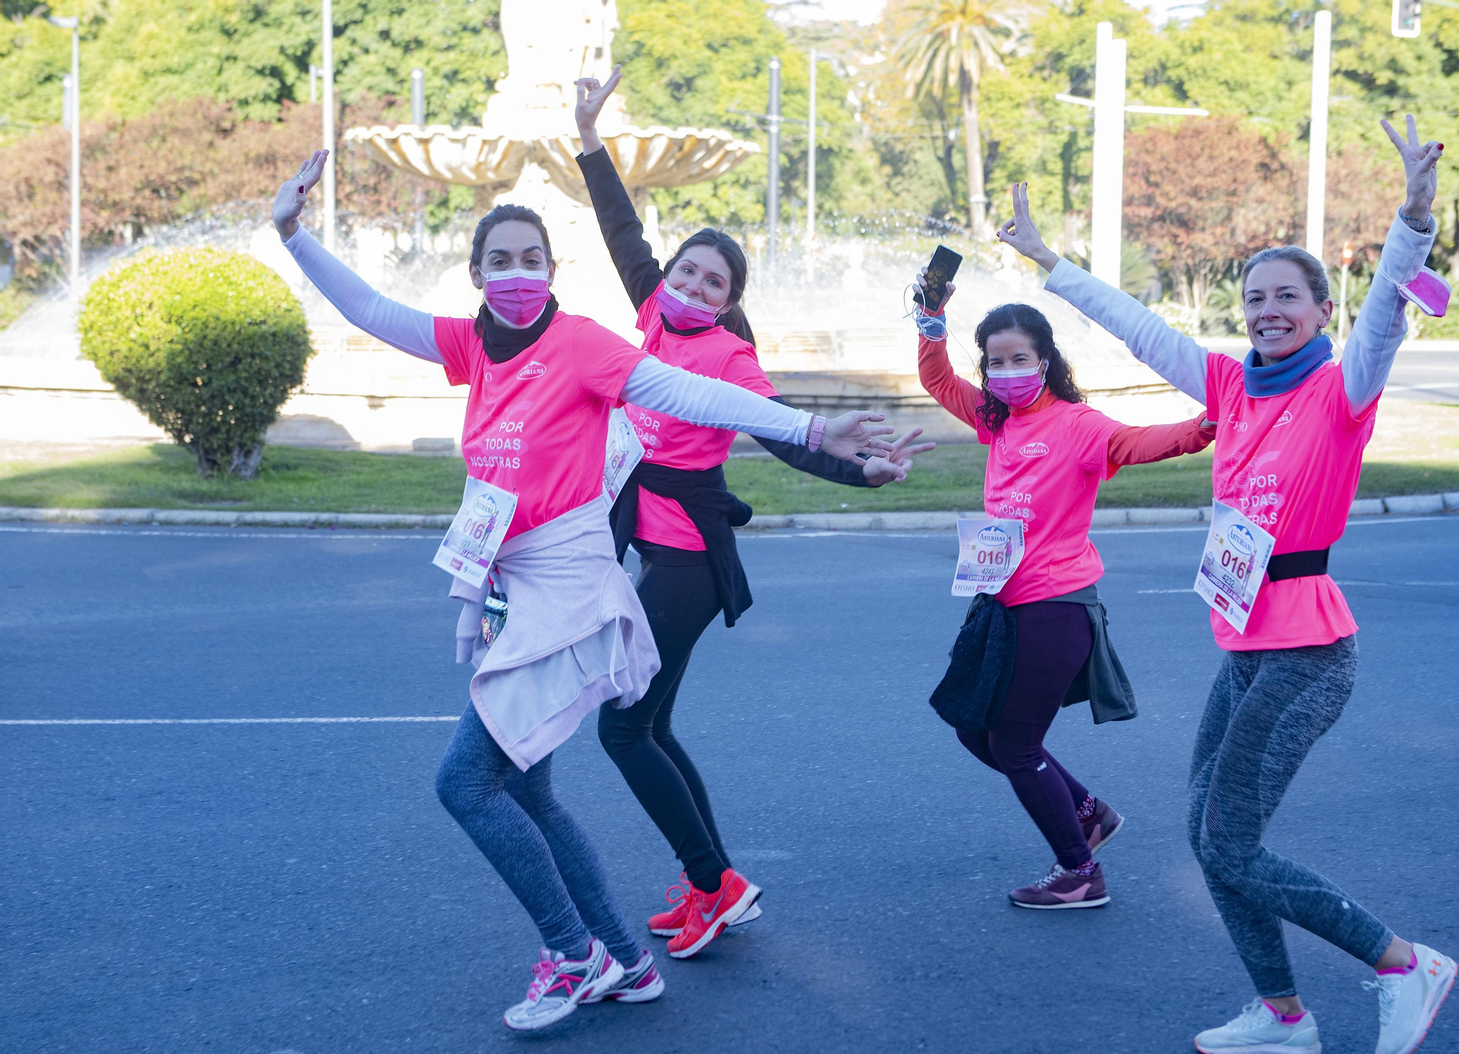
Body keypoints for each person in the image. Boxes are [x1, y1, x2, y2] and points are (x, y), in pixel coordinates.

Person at [270, 151, 899, 1032]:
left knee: (466, 785)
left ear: (553, 271)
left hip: (567, 588)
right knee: (525, 789)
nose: (518, 273)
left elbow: (688, 391)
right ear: (478, 273)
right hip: (509, 581)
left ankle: (578, 955)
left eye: (533, 259)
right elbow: (375, 310)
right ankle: (625, 961)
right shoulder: (469, 344)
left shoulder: (586, 345)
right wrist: (293, 234)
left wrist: (814, 428)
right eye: (501, 260)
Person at [995, 116, 1457, 1054]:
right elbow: (1139, 329)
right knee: (1211, 837)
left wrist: (1413, 218)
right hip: (1245, 648)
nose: (1267, 310)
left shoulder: (1343, 388)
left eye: (1287, 297)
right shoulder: (1233, 385)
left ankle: (1405, 963)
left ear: (1319, 311)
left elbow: (1380, 316)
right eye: (1255, 299)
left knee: (1231, 839)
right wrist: (1049, 263)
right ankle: (1283, 1016)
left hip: (1309, 652)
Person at [572, 67, 935, 960]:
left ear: (732, 299)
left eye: (712, 282)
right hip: (644, 546)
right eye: (686, 273)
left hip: (689, 562)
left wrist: (867, 473)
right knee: (649, 725)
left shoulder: (732, 362)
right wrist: (587, 136)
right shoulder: (652, 316)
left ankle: (716, 883)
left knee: (623, 729)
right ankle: (712, 883)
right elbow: (623, 231)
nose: (692, 289)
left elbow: (788, 438)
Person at [914, 276, 1215, 910]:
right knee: (976, 729)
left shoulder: (1076, 425)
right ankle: (1087, 811)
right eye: (995, 362)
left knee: (1016, 748)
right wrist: (931, 320)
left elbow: (1137, 442)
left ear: (1045, 360)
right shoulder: (996, 419)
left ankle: (1080, 871)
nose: (1006, 371)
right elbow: (940, 382)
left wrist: (1206, 424)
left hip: (1055, 607)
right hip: (1000, 603)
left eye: (1019, 359)